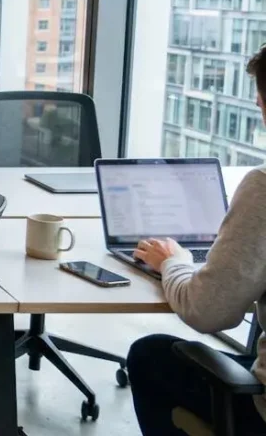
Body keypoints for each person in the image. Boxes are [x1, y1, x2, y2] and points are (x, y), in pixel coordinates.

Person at [126, 47, 266, 435]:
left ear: (260, 102)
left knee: (149, 355)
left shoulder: (263, 186)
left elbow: (209, 312)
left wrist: (173, 261)